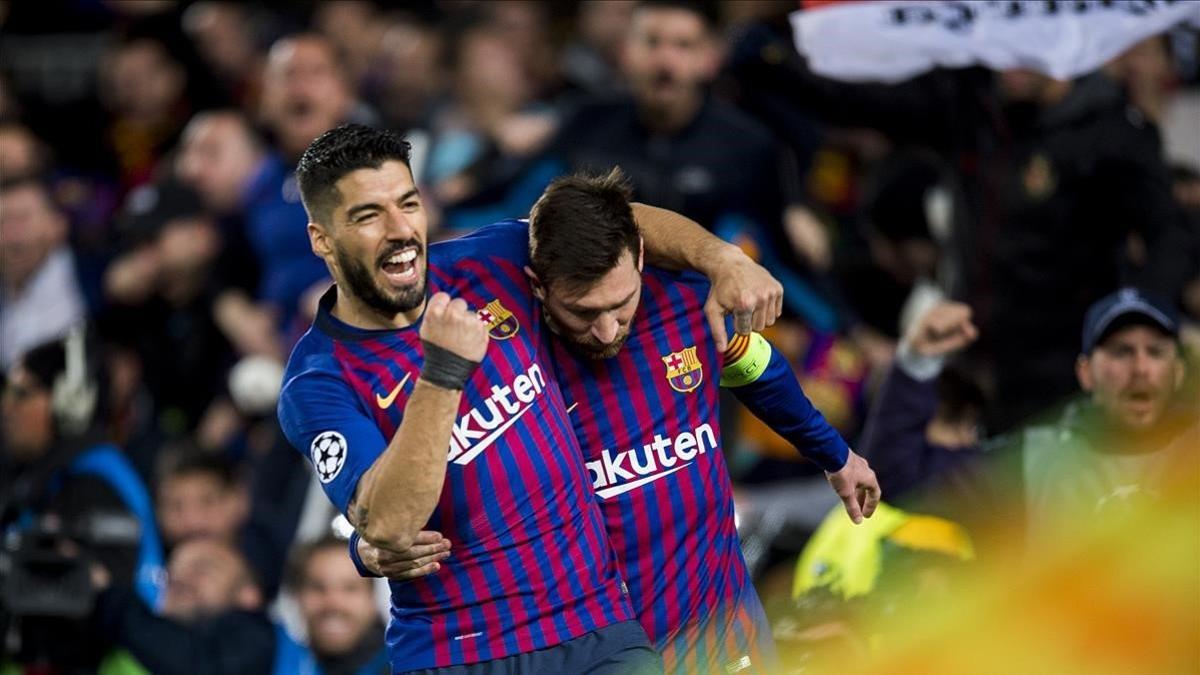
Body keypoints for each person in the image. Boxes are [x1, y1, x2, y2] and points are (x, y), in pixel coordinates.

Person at [277, 124, 782, 672]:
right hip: (459, 651)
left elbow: (618, 222)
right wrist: (443, 375)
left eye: (408, 203)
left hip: (596, 625)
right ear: (322, 238)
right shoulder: (318, 383)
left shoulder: (483, 262)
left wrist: (722, 259)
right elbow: (390, 525)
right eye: (369, 215)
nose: (401, 230)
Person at [356, 170, 880, 673]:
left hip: (720, 617)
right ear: (538, 287)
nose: (607, 331)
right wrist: (368, 546)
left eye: (621, 304)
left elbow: (755, 368)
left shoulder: (688, 301)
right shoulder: (499, 353)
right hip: (598, 646)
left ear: (643, 260)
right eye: (582, 312)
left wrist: (834, 455)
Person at [860, 290, 1197, 553]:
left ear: (1179, 371)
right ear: (1085, 372)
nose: (1140, 369)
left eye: (1155, 352)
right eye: (1121, 352)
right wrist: (916, 362)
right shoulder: (1036, 463)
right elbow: (897, 475)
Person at [0, 329, 164, 672]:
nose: (6, 407)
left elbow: (92, 608)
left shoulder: (93, 482)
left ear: (69, 401)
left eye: (22, 393)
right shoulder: (49, 477)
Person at [92, 537, 275, 675]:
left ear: (248, 595)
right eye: (172, 570)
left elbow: (202, 666)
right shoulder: (133, 635)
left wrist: (110, 595)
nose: (179, 577)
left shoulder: (259, 639)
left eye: (201, 569)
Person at [0, 177, 87, 369]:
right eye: (2, 223)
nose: (10, 234)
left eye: (21, 219)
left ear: (58, 224)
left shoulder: (91, 277)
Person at [277, 535, 389, 675]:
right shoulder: (266, 657)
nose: (333, 603)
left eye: (350, 588)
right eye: (318, 587)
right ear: (296, 596)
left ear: (373, 597)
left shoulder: (409, 666)